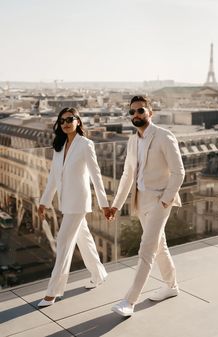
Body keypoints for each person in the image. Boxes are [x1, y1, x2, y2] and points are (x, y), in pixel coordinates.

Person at [110, 96, 185, 316]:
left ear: (150, 112)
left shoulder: (163, 136)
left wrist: (165, 200)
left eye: (140, 110)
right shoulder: (132, 140)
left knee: (146, 248)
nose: (136, 115)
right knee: (159, 245)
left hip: (160, 201)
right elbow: (127, 175)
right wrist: (116, 205)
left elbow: (179, 172)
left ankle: (129, 301)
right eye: (132, 112)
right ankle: (171, 286)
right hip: (140, 200)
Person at [37, 107, 109, 307]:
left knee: (63, 242)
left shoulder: (86, 144)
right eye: (62, 121)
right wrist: (44, 201)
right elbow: (53, 177)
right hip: (65, 201)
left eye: (70, 119)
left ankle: (53, 292)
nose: (66, 123)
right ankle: (99, 273)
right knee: (83, 238)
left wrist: (104, 205)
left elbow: (96, 175)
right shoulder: (59, 147)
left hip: (78, 202)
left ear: (78, 121)